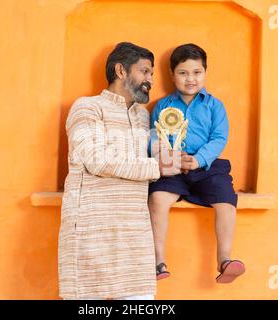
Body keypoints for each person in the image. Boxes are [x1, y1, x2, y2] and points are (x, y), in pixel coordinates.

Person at [58, 42, 181, 300]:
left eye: (151, 74)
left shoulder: (143, 116)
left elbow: (155, 151)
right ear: (121, 71)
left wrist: (174, 158)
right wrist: (156, 167)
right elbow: (96, 159)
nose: (150, 80)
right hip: (91, 230)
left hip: (134, 235)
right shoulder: (87, 107)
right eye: (144, 71)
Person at [148, 43, 245, 283]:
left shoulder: (215, 105)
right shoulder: (162, 106)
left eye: (196, 72)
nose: (190, 78)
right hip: (173, 168)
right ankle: (158, 261)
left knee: (225, 200)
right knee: (157, 198)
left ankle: (224, 259)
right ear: (172, 74)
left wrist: (199, 159)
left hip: (208, 169)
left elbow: (219, 137)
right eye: (183, 73)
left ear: (205, 72)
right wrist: (167, 159)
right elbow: (153, 136)